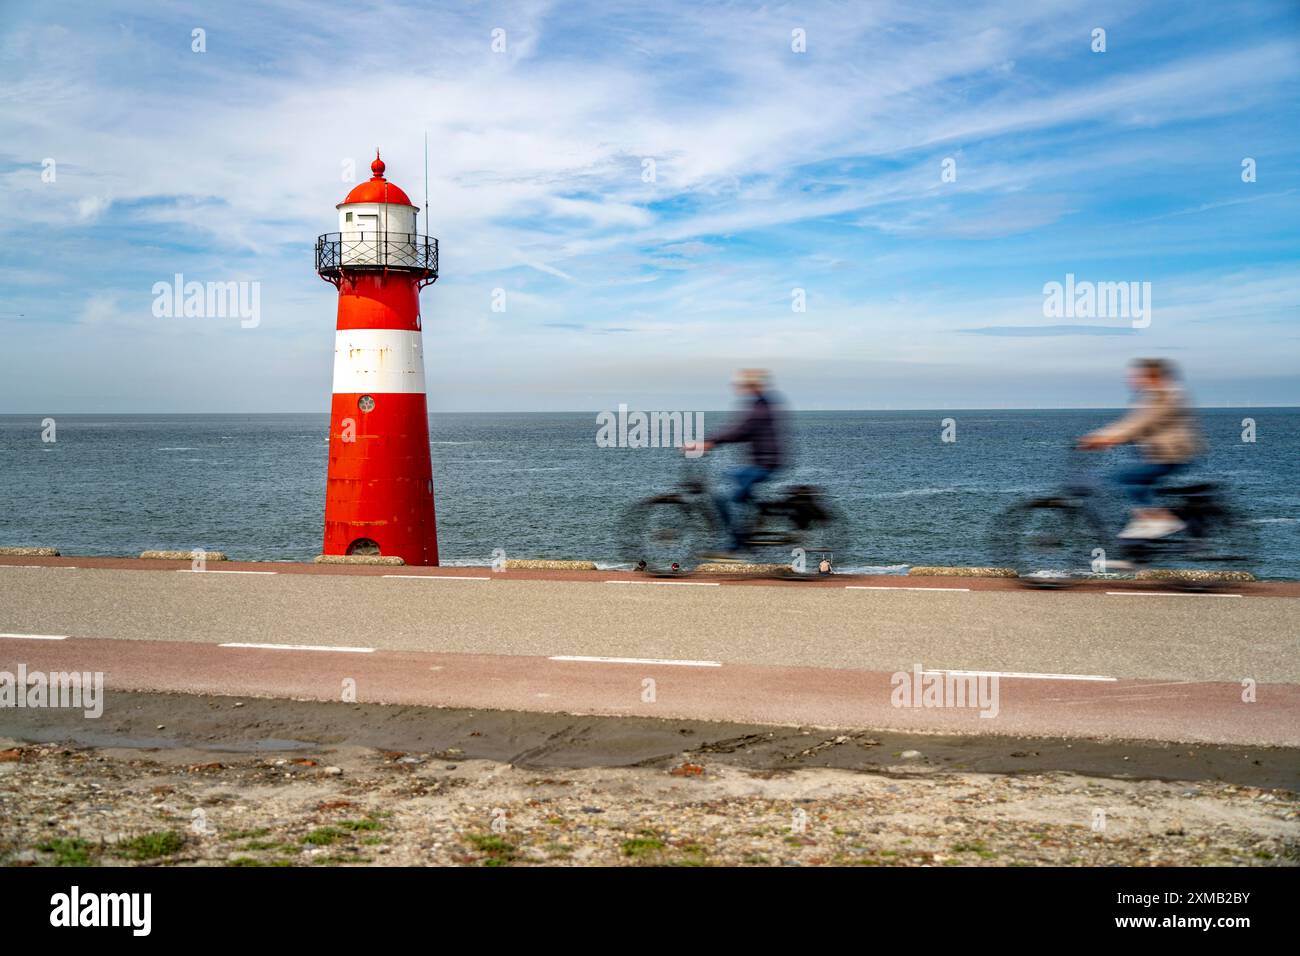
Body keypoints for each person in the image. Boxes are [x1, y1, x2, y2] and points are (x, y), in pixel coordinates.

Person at [1077, 358, 1203, 539]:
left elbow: (1140, 424)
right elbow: (1129, 423)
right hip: (1158, 454)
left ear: (1153, 376)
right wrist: (1099, 436)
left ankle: (1158, 519)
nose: (1134, 380)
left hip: (1172, 454)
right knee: (1136, 481)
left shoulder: (1165, 395)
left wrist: (1107, 439)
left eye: (1139, 376)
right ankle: (1139, 544)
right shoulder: (1155, 395)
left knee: (1122, 478)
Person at [684, 368, 788, 554]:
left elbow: (740, 431)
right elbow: (742, 432)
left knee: (723, 496)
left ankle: (736, 541)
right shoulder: (762, 404)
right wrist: (712, 443)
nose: (739, 387)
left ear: (752, 386)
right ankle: (749, 524)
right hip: (764, 461)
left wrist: (708, 443)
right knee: (729, 478)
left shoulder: (759, 409)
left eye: (743, 384)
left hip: (765, 464)